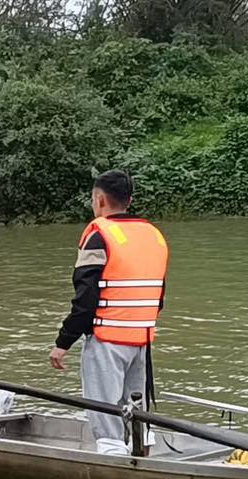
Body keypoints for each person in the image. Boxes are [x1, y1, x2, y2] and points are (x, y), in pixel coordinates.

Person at [49, 170, 169, 456]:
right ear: (130, 200)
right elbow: (159, 293)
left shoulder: (99, 234)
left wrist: (63, 342)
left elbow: (85, 298)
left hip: (107, 339)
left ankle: (113, 460)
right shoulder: (153, 234)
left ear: (99, 200)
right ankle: (143, 452)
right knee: (136, 407)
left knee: (104, 413)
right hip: (142, 339)